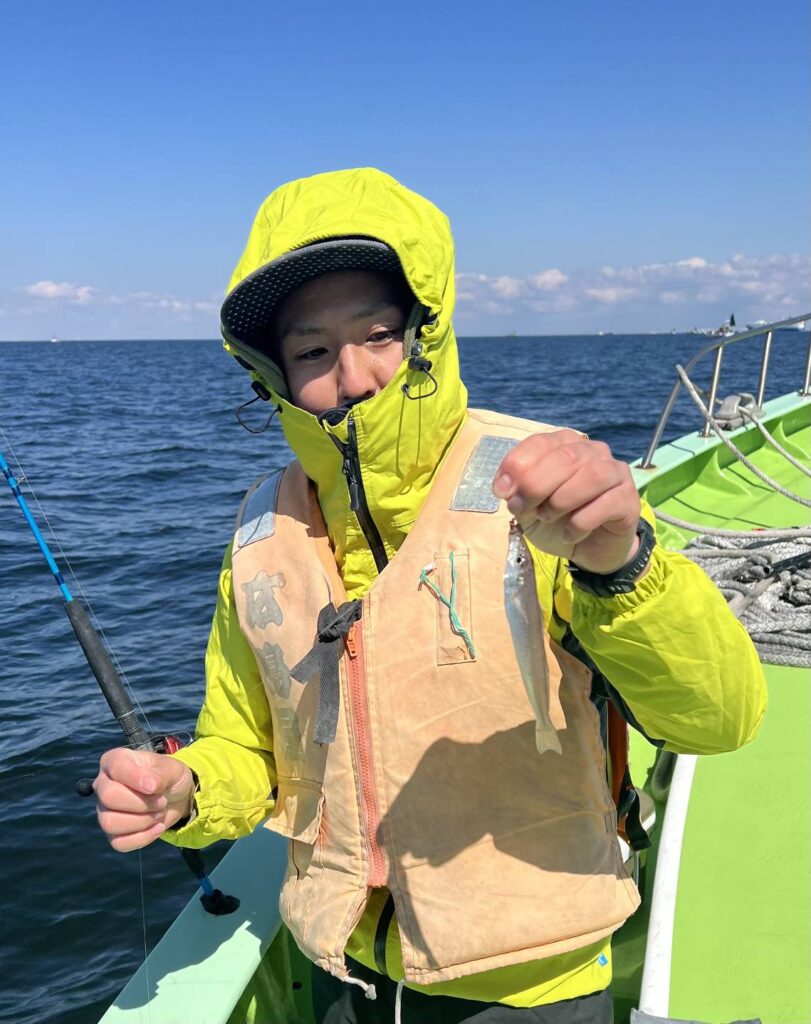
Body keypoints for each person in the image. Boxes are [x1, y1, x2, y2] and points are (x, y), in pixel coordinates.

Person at [94, 168, 767, 1023]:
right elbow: (250, 749)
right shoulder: (260, 534)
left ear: (427, 331)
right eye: (312, 351)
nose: (354, 376)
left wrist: (619, 565)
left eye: (378, 334)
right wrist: (185, 790)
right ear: (272, 374)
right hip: (346, 965)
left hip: (531, 981)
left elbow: (717, 720)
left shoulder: (545, 487)